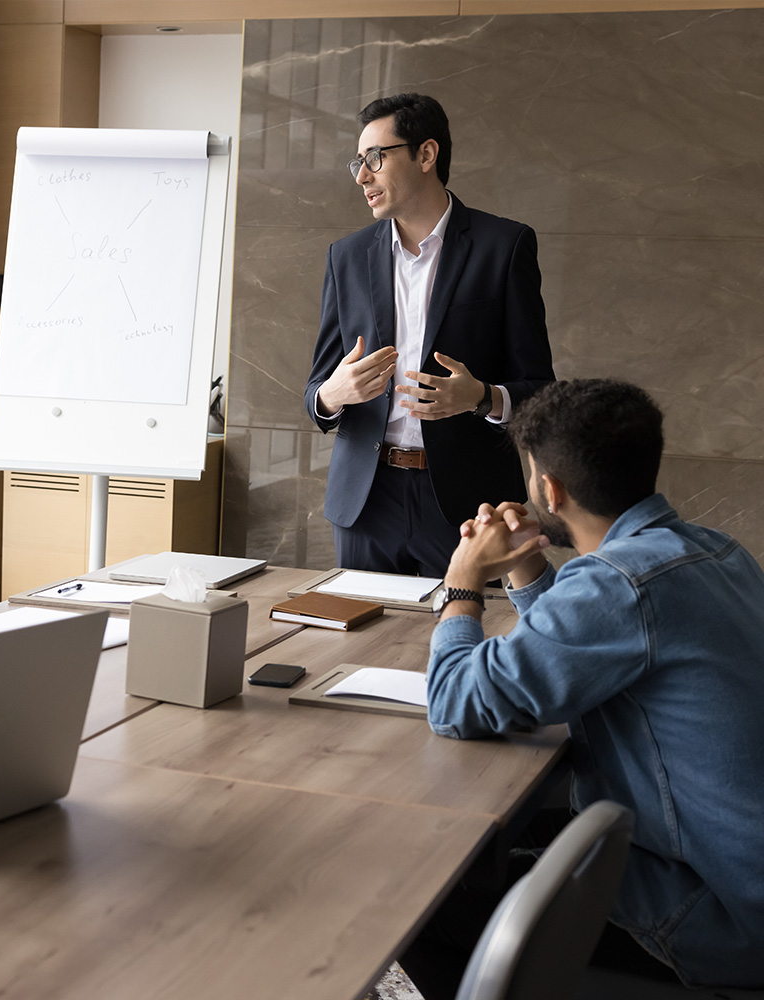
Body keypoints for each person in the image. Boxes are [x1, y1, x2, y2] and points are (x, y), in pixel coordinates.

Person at [400, 378, 764, 995]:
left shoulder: (618, 586)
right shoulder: (714, 551)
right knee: (497, 849)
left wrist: (463, 584)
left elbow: (456, 704)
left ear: (550, 488)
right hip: (734, 871)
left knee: (421, 902)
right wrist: (523, 565)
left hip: (717, 915)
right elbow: (597, 646)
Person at [304, 92, 554, 578]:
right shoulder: (347, 257)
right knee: (360, 643)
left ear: (426, 154)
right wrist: (334, 395)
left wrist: (481, 396)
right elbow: (317, 389)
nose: (362, 176)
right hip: (365, 503)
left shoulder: (503, 247)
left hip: (467, 505)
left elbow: (541, 391)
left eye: (375, 157)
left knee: (463, 644)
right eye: (358, 162)